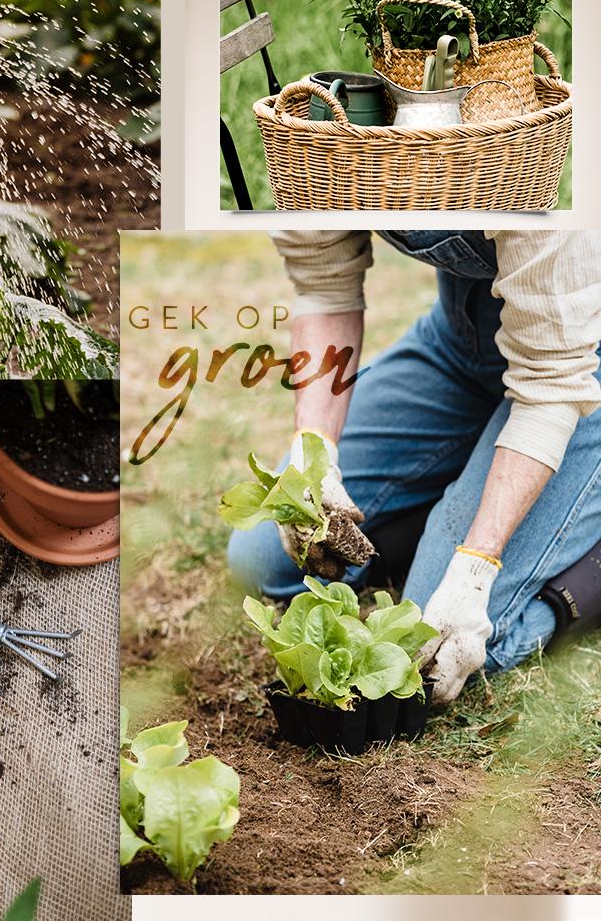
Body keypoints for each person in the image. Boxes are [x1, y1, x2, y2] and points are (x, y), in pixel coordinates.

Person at [228, 231, 601, 705]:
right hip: (462, 340)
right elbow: (324, 286)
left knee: (434, 643)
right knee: (263, 559)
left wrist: (476, 567)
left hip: (575, 367)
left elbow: (551, 382)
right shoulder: (321, 157)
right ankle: (480, 477)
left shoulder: (526, 167)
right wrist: (313, 454)